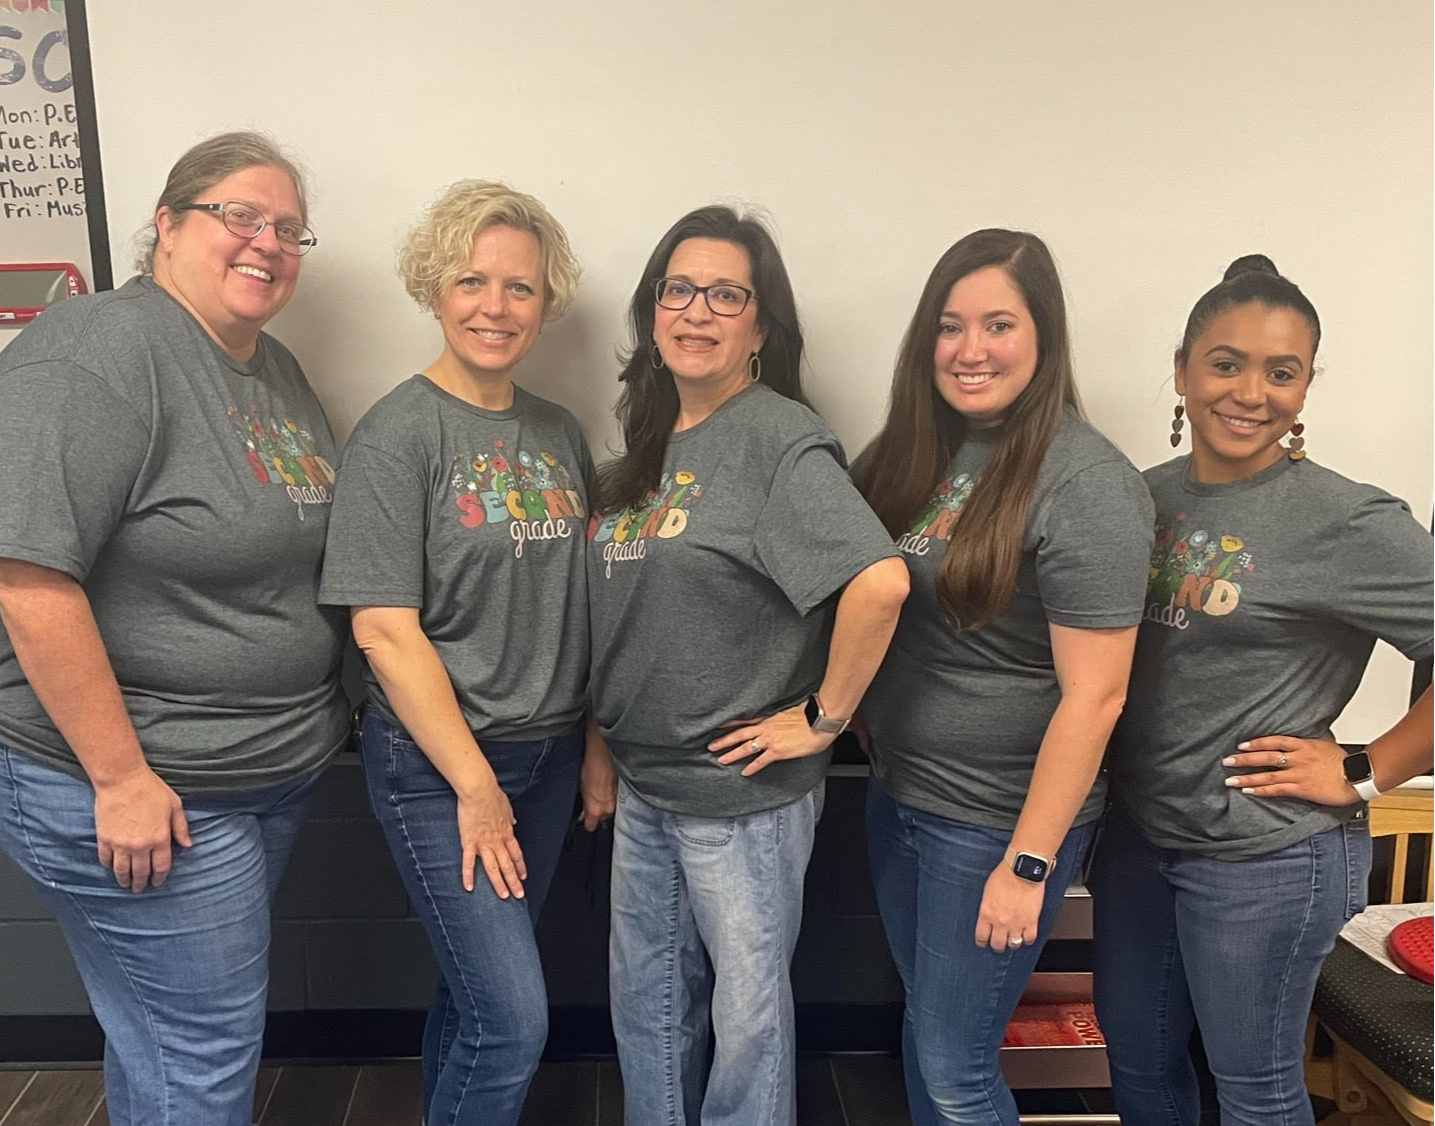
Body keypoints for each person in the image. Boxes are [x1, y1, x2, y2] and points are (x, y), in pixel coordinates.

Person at [0, 132, 346, 1126]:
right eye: (239, 215)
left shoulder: (270, 369)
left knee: (160, 1032)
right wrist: (118, 776)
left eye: (288, 228)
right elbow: (26, 573)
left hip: (252, 772)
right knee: (202, 1048)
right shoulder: (102, 345)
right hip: (144, 786)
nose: (267, 243)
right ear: (166, 222)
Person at [1092, 254, 1435, 1126]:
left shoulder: (1346, 520)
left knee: (1253, 1091)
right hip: (1138, 843)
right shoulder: (1142, 499)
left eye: (1280, 372)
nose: (1250, 392)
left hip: (1268, 857)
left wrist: (1364, 769)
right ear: (1180, 369)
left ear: (1305, 387)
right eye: (1225, 362)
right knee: (1136, 1067)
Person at [585, 204, 909, 1126]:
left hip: (741, 801)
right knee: (646, 1005)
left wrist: (821, 719)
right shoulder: (646, 448)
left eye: (725, 295)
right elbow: (628, 623)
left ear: (759, 327)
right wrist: (603, 741)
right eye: (677, 290)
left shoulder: (778, 438)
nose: (696, 311)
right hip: (647, 785)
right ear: (652, 313)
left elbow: (878, 584)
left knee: (746, 1021)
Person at [853, 229, 1154, 1126]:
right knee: (932, 1036)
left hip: (991, 825)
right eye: (950, 326)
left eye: (997, 325)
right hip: (900, 796)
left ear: (1044, 338)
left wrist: (1027, 862)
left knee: (954, 1068)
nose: (970, 350)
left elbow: (1096, 695)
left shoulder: (1085, 482)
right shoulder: (925, 454)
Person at [318, 181, 601, 1126]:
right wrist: (476, 788)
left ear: (545, 301)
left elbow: (586, 605)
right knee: (514, 1023)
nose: (495, 306)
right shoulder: (398, 435)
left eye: (518, 288)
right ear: (435, 291)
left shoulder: (558, 432)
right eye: (471, 281)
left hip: (550, 757)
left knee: (475, 998)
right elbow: (382, 629)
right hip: (440, 768)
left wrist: (592, 746)